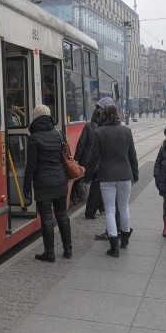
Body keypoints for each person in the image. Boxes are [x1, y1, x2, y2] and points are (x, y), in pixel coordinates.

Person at [83, 104, 139, 257]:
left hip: (107, 176)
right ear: (118, 115)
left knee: (110, 210)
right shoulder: (126, 131)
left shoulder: (99, 132)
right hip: (125, 175)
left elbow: (93, 158)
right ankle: (125, 239)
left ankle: (114, 246)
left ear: (104, 117)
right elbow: (132, 155)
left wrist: (87, 178)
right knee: (124, 207)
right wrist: (135, 174)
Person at [23, 104, 72, 262]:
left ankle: (49, 253)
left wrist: (26, 187)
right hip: (60, 180)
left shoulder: (34, 138)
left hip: (43, 183)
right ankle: (68, 249)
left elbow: (31, 166)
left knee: (46, 217)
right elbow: (64, 158)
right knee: (63, 215)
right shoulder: (59, 134)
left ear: (35, 118)